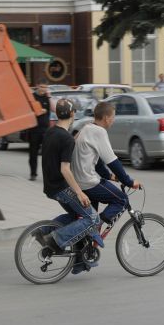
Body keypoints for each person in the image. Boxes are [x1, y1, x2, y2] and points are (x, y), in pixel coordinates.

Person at [37, 99, 101, 259]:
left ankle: (43, 231)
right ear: (73, 114)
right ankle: (56, 240)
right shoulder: (65, 139)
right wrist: (80, 193)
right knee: (93, 218)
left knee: (75, 216)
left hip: (50, 187)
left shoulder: (51, 132)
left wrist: (76, 137)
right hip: (62, 188)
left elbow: (62, 145)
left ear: (57, 113)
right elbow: (65, 169)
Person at [72, 101, 141, 227]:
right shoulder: (99, 132)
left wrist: (109, 176)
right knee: (122, 200)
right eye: (113, 117)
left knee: (88, 218)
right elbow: (112, 161)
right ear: (106, 118)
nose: (113, 120)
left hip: (77, 181)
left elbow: (96, 161)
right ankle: (97, 225)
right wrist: (128, 181)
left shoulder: (87, 128)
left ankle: (86, 242)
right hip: (88, 182)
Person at [28, 79, 51, 181]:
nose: (44, 89)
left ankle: (48, 175)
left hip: (45, 130)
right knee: (33, 153)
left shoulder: (47, 97)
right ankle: (33, 174)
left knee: (47, 154)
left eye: (46, 87)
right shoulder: (32, 97)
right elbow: (29, 111)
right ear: (37, 86)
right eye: (42, 87)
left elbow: (52, 109)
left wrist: (49, 96)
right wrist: (39, 111)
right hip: (34, 129)